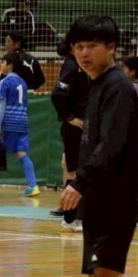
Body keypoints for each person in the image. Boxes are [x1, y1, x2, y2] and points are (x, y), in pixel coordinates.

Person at [59, 15, 138, 277]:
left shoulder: (117, 88)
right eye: (78, 47)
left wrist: (80, 182)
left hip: (115, 198)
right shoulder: (97, 86)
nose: (84, 53)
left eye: (91, 46)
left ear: (111, 47)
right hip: (101, 198)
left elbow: (111, 145)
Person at [0, 51, 38, 198]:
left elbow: (2, 105)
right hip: (22, 122)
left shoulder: (4, 82)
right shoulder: (23, 82)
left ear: (10, 65)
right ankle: (33, 186)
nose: (1, 65)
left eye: (3, 62)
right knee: (22, 153)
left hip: (9, 123)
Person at [50, 40, 91, 231]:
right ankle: (70, 218)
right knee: (75, 170)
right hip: (76, 126)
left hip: (83, 124)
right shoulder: (72, 66)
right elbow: (57, 95)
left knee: (72, 166)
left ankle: (74, 216)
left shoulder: (81, 66)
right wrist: (70, 117)